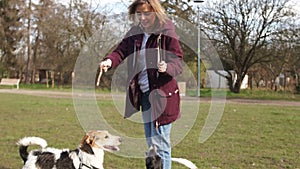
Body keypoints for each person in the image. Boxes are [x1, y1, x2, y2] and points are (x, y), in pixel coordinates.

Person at [99, 0, 183, 168]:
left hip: (163, 97)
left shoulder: (166, 31)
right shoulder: (135, 32)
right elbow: (121, 51)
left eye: (147, 13)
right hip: (144, 95)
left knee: (161, 146)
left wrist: (167, 67)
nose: (143, 18)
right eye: (139, 14)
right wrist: (109, 61)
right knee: (151, 143)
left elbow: (178, 62)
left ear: (155, 12)